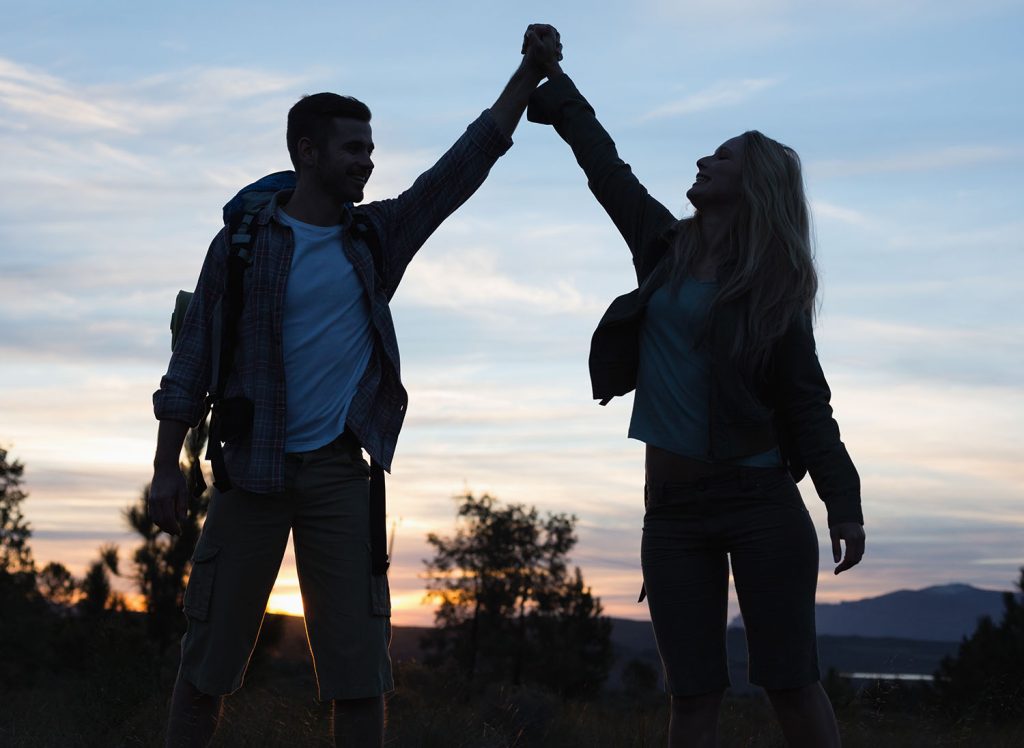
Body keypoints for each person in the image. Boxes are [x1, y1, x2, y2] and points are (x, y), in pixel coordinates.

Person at [149, 25, 562, 747]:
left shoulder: (375, 238)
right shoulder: (243, 246)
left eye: (370, 150)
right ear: (307, 152)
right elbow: (191, 360)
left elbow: (461, 168)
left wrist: (526, 78)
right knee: (205, 667)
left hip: (343, 476)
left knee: (360, 678)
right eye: (352, 149)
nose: (366, 163)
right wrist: (163, 468)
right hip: (250, 476)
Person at [525, 35, 865, 748]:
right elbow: (606, 170)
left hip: (760, 503)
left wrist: (843, 500)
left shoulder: (774, 289)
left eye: (724, 156)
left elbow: (808, 404)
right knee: (691, 698)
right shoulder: (662, 246)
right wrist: (552, 88)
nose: (706, 160)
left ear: (753, 184)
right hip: (672, 512)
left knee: (790, 683)